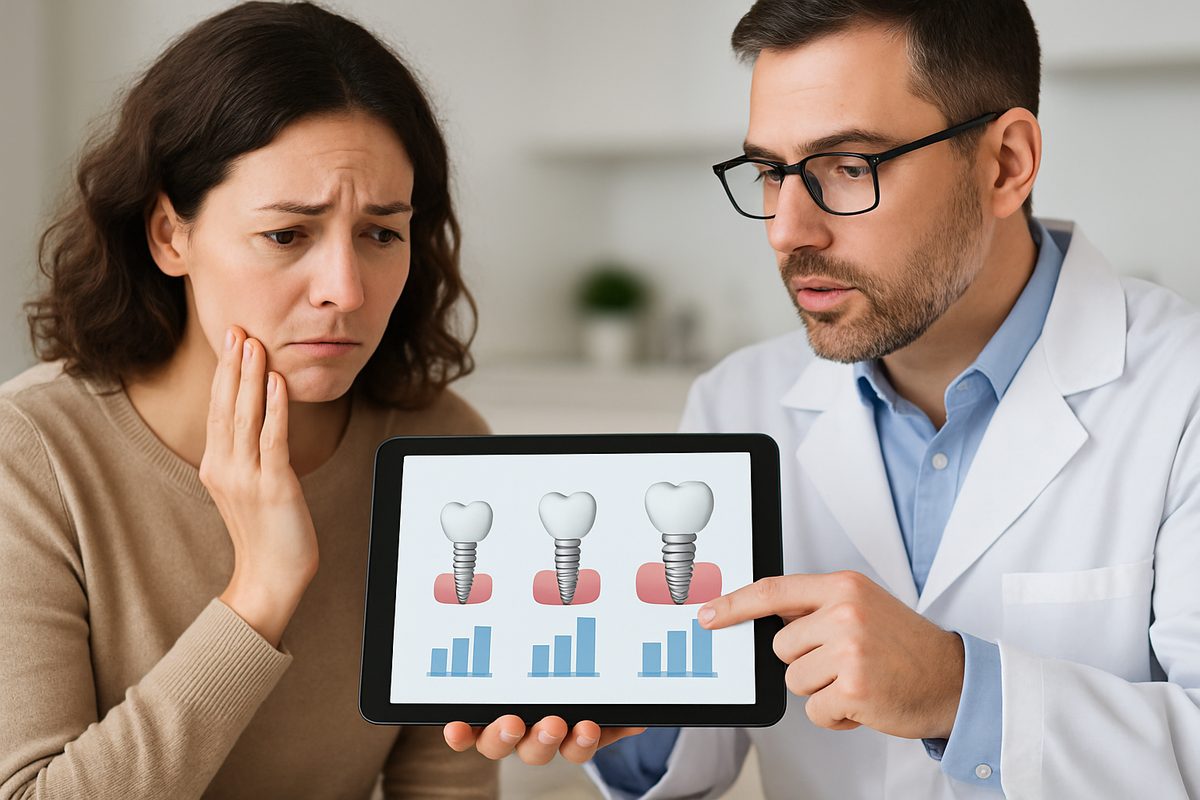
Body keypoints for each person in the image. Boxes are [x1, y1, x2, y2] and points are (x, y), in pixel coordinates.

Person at [446, 1, 1200, 797]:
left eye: (847, 166)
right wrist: (641, 707)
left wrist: (955, 689)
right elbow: (701, 756)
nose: (786, 229)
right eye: (772, 171)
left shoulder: (1180, 393)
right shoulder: (739, 400)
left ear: (1006, 163)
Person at [0, 2, 497, 798]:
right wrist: (260, 588)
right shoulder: (30, 454)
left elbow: (447, 783)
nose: (344, 291)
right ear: (170, 235)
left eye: (381, 234)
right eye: (286, 235)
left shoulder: (438, 443)